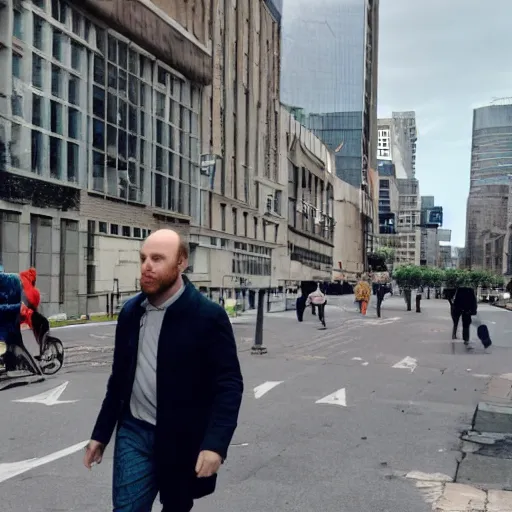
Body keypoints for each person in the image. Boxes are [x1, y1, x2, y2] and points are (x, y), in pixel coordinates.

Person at [83, 229, 244, 512]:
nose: (147, 266)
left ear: (181, 262)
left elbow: (229, 385)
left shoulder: (208, 316)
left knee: (176, 506)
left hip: (182, 438)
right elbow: (119, 380)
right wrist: (101, 434)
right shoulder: (131, 312)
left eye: (158, 259)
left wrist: (215, 445)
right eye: (143, 258)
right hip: (134, 431)